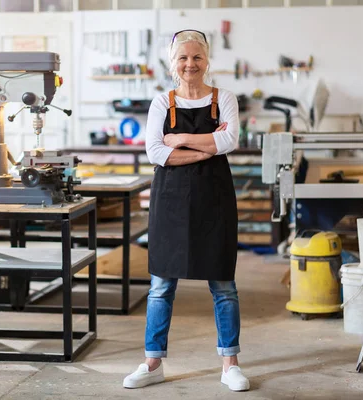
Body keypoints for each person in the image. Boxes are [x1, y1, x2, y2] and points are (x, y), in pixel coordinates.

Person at [122, 30, 249, 392]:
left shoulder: (224, 98)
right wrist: (206, 149)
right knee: (161, 284)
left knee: (223, 284)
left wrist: (180, 139)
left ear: (207, 61)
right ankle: (152, 362)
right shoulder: (162, 103)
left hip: (215, 199)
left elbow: (230, 140)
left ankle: (230, 365)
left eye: (196, 57)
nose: (190, 64)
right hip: (171, 203)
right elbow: (156, 153)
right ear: (172, 63)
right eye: (183, 58)